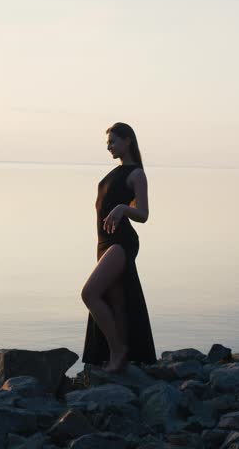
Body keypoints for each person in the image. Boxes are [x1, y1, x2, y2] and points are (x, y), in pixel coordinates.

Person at [81, 122, 157, 373]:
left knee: (89, 293)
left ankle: (118, 350)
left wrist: (123, 208)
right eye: (108, 143)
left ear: (128, 141)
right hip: (103, 242)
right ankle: (119, 359)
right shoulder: (114, 173)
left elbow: (144, 214)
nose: (109, 147)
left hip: (121, 242)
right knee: (116, 300)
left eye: (113, 142)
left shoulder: (136, 174)